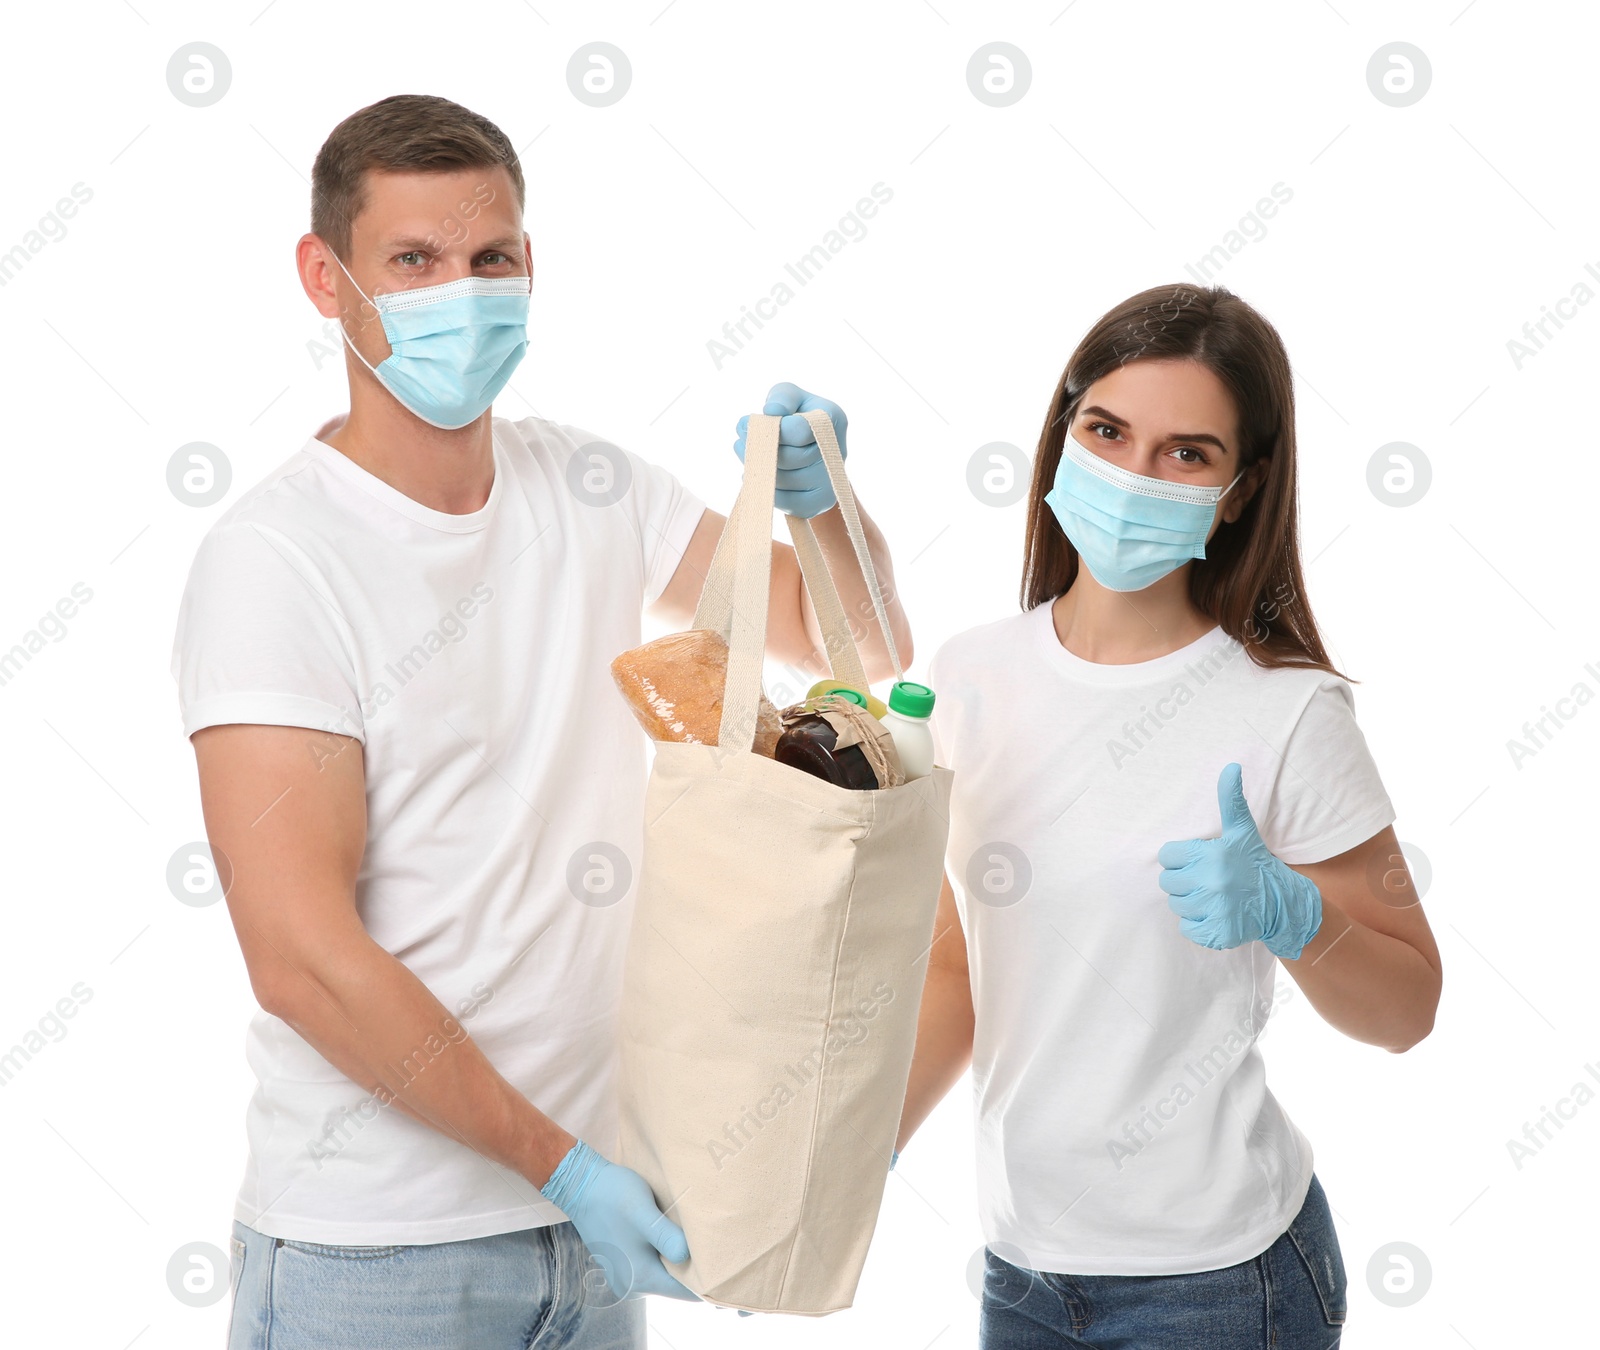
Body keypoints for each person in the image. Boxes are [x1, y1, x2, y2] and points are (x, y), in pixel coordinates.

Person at [170, 93, 912, 1350]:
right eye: (412, 261)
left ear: (531, 265)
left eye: (490, 258)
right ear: (325, 276)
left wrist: (821, 498)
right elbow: (299, 957)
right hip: (383, 1258)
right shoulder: (277, 562)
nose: (459, 293)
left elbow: (862, 644)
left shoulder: (593, 485)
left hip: (594, 1247)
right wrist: (558, 1163)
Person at [894, 284, 1442, 1348]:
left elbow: (1407, 1009)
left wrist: (1295, 915)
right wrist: (857, 1162)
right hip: (1022, 1265)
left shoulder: (1285, 712)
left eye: (1185, 454)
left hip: (1219, 1281)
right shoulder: (970, 675)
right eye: (1106, 432)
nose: (1132, 476)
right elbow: (960, 972)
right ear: (1061, 436)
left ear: (1238, 493)